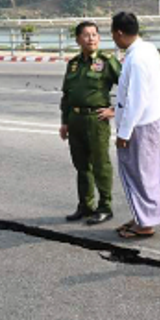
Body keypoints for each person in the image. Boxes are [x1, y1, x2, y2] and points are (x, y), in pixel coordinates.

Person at [110, 11, 160, 239]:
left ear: (119, 33)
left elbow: (136, 100)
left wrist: (124, 132)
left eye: (113, 34)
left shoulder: (136, 59)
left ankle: (145, 223)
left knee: (138, 174)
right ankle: (143, 215)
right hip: (151, 120)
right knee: (151, 171)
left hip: (139, 126)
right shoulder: (148, 49)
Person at [59, 21, 123, 225]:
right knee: (81, 166)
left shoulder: (107, 61)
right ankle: (85, 206)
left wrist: (114, 110)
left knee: (100, 164)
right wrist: (64, 122)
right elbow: (67, 95)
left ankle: (105, 206)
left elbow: (127, 86)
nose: (91, 38)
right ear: (78, 39)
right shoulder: (74, 64)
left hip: (96, 120)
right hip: (75, 119)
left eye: (95, 34)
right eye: (86, 35)